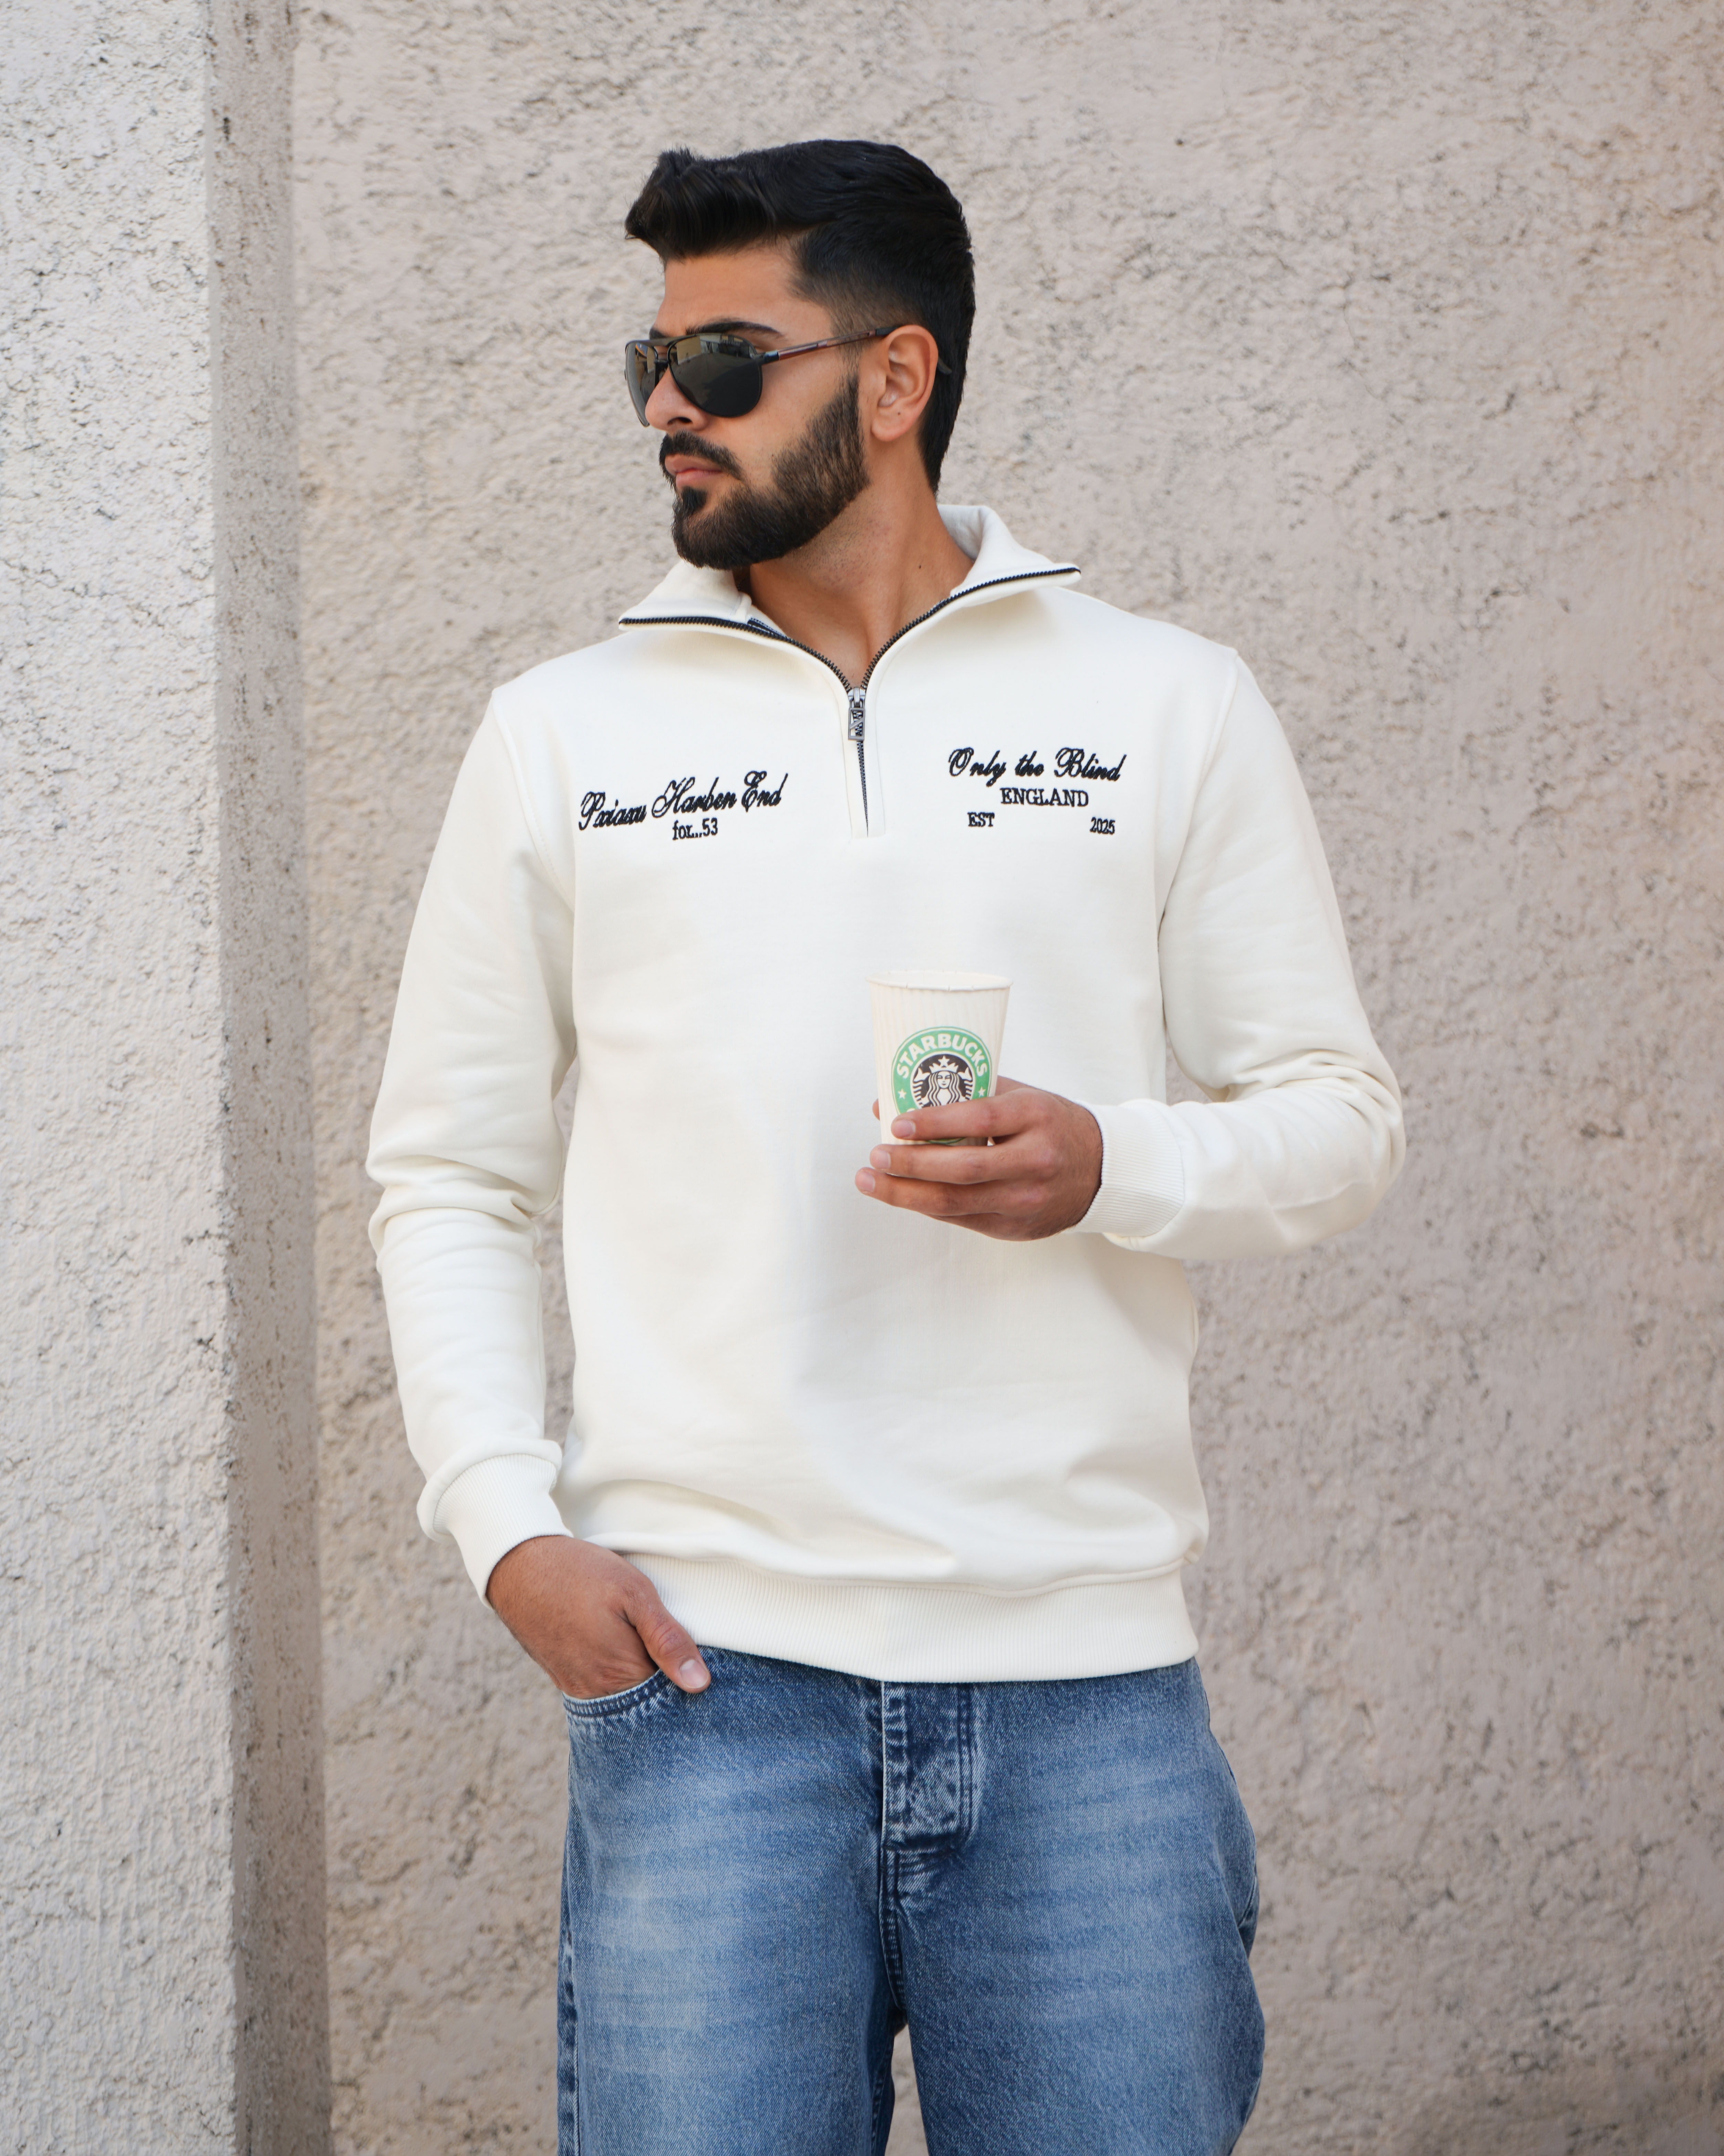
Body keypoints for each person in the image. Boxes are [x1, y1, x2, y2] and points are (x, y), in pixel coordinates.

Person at [367, 139, 1404, 2156]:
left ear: (899, 376)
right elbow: (454, 1172)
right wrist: (503, 1525)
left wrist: (1114, 1166)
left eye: (724, 362)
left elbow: (1338, 1123)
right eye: (652, 363)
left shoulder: (1166, 706)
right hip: (701, 1686)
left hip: (1089, 1694)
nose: (669, 409)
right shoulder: (563, 732)